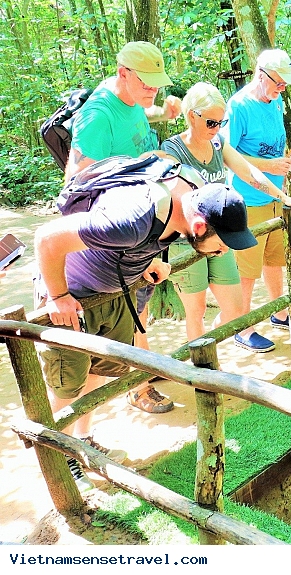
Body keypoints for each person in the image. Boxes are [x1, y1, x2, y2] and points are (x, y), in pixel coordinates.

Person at [35, 170, 258, 489]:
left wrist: (146, 263)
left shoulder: (176, 219)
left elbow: (135, 245)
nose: (224, 252)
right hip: (72, 298)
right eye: (222, 244)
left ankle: (82, 440)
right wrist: (58, 296)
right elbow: (47, 238)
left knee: (98, 372)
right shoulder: (134, 218)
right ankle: (62, 461)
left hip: (112, 295)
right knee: (66, 385)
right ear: (199, 227)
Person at [66, 41, 182, 414]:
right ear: (123, 74)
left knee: (140, 309)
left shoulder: (131, 99)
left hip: (142, 226)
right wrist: (143, 165)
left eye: (157, 83)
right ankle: (138, 385)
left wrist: (164, 113)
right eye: (147, 83)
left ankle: (141, 372)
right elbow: (77, 178)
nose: (154, 90)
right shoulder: (97, 115)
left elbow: (137, 121)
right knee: (130, 311)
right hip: (118, 233)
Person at [161, 82, 291, 349]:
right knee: (197, 309)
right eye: (212, 122)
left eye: (221, 122)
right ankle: (204, 373)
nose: (216, 128)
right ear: (192, 115)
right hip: (187, 238)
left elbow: (248, 172)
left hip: (219, 236)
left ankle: (228, 334)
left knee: (235, 308)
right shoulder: (172, 151)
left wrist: (282, 197)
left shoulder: (217, 142)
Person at [222, 49, 291, 350]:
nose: (281, 89)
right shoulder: (238, 106)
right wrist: (268, 166)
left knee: (274, 260)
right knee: (247, 271)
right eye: (278, 83)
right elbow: (226, 154)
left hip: (274, 195)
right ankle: (242, 328)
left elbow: (273, 145)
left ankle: (279, 313)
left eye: (284, 85)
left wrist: (282, 165)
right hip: (247, 200)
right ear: (261, 74)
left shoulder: (276, 100)